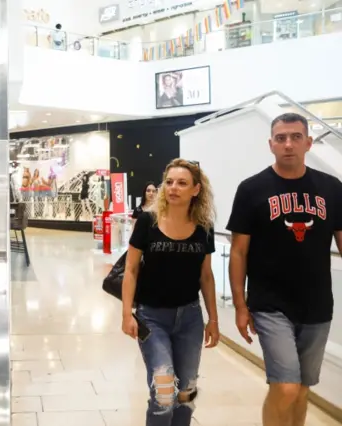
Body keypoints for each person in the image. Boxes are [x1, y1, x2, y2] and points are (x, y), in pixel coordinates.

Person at [227, 112, 342, 426]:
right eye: (280, 138)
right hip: (269, 305)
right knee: (286, 386)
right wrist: (240, 305)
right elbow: (238, 252)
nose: (288, 144)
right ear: (271, 144)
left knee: (302, 388)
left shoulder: (332, 188)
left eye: (295, 137)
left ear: (309, 142)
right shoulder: (251, 189)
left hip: (318, 305)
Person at [121, 158, 220, 426]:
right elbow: (130, 270)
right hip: (151, 318)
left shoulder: (204, 227)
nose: (173, 188)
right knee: (164, 394)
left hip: (189, 317)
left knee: (186, 392)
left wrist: (213, 319)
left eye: (182, 183)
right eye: (169, 182)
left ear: (196, 190)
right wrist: (126, 314)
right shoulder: (147, 221)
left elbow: (206, 276)